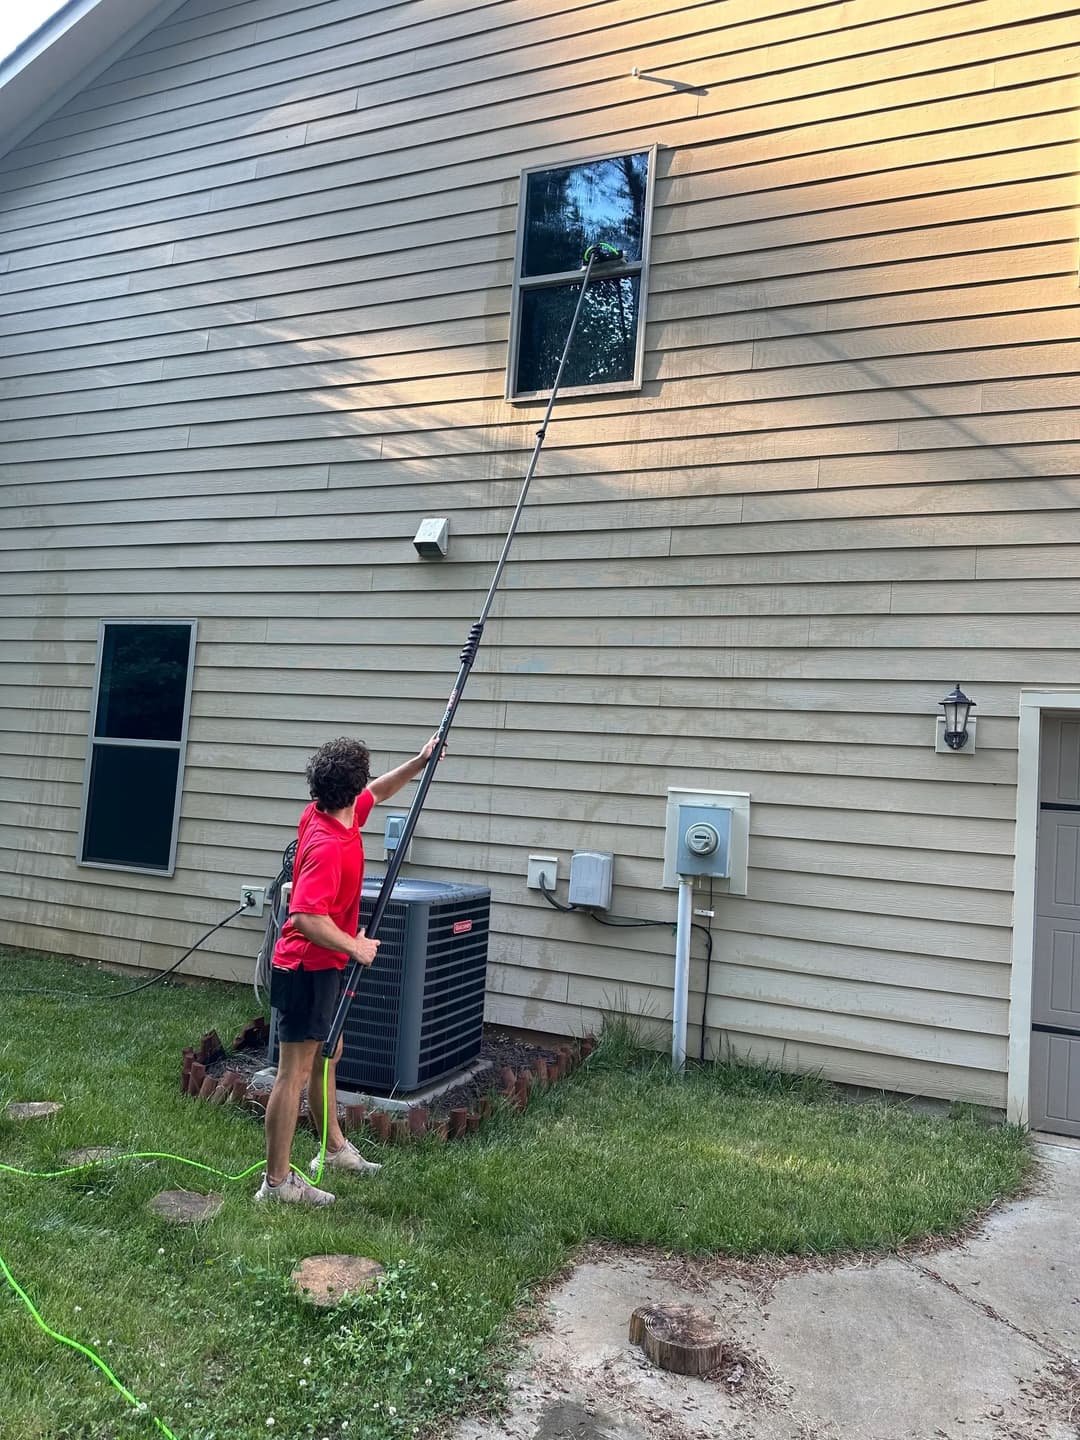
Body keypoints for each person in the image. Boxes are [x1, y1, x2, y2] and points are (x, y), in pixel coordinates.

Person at [255, 732, 443, 1205]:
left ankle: (333, 1148)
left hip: (322, 966)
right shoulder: (327, 846)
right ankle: (277, 1184)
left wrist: (420, 762)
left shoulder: (333, 811)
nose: (367, 792)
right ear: (347, 788)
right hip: (305, 967)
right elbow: (304, 916)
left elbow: (378, 790)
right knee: (293, 1074)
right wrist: (356, 947)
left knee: (329, 1053)